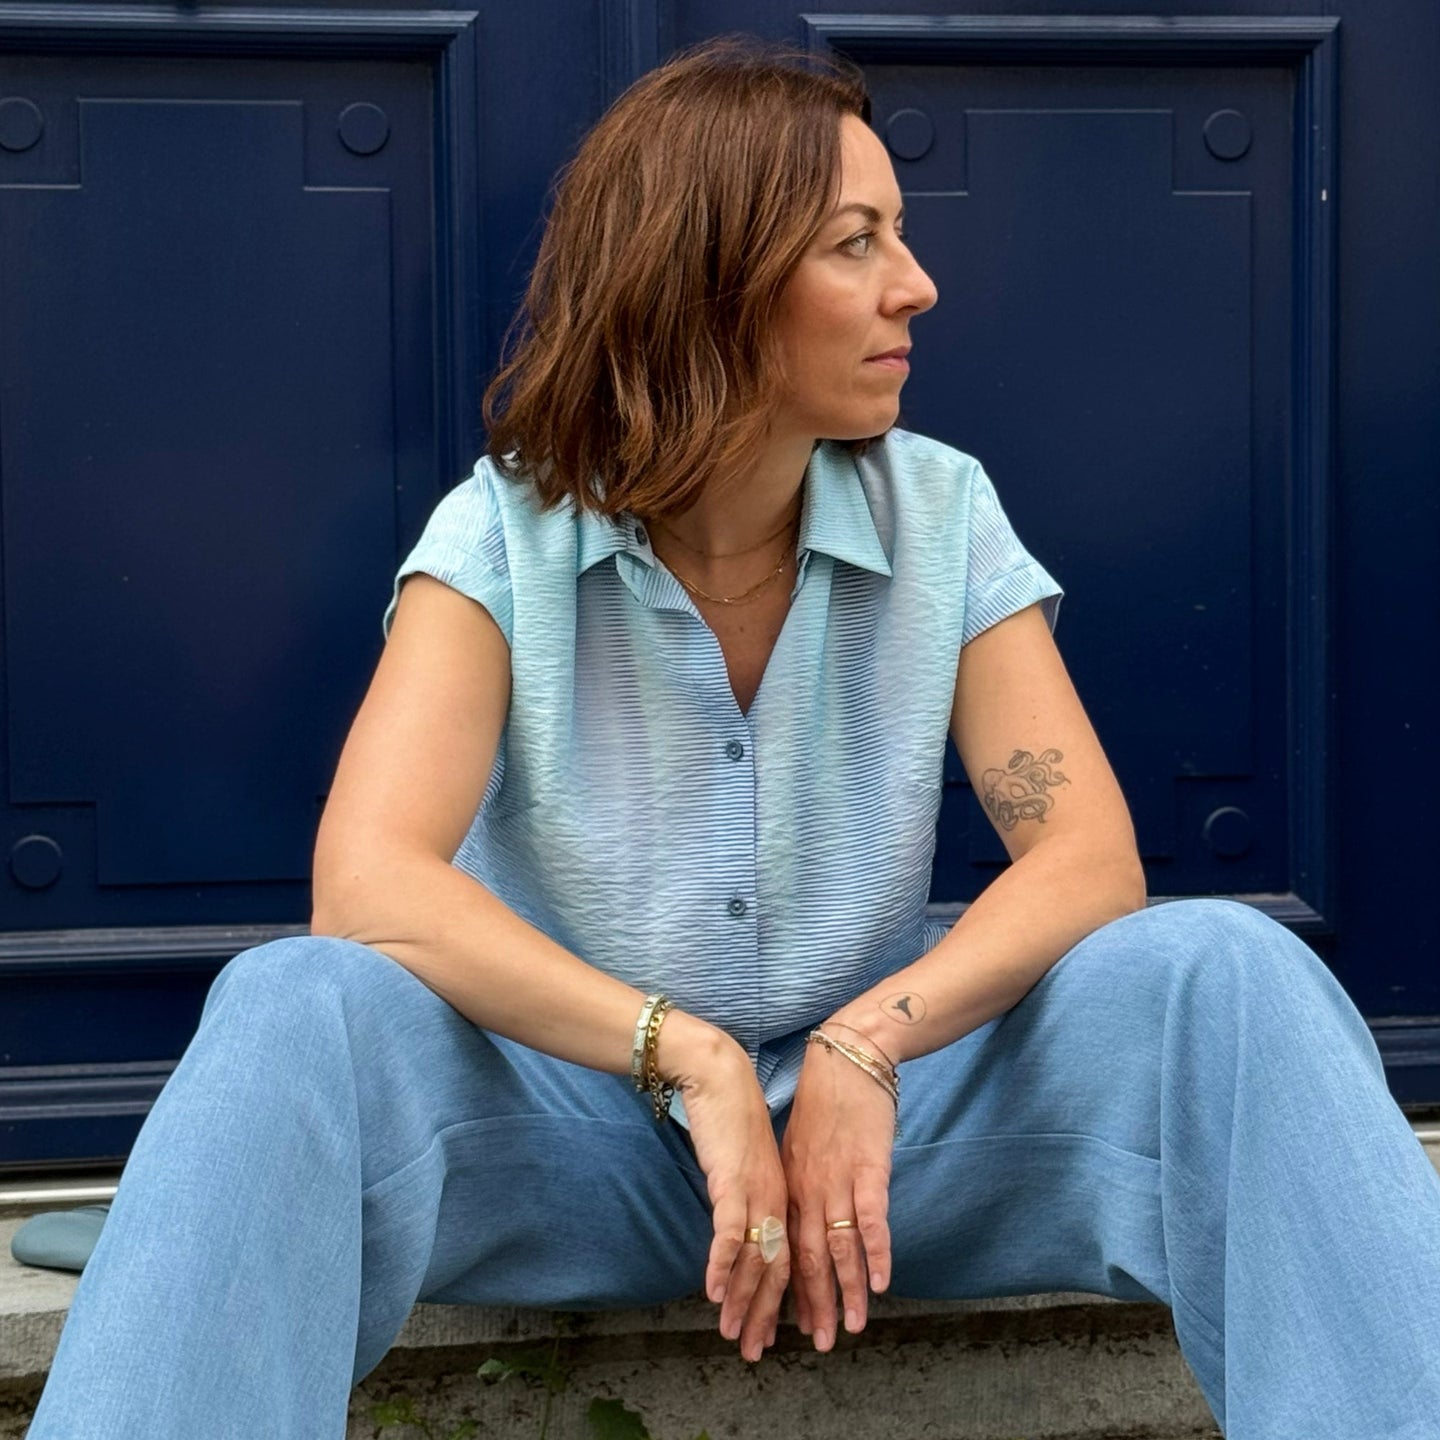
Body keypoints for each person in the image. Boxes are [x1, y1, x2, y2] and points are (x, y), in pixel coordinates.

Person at [26, 37, 1440, 1440]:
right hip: (570, 1145)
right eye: (857, 243)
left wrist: (868, 1047)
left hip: (881, 1165)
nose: (917, 285)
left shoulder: (938, 510)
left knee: (1232, 972)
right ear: (714, 282)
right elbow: (372, 886)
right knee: (290, 1006)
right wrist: (682, 1056)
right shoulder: (504, 529)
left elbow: (1084, 860)